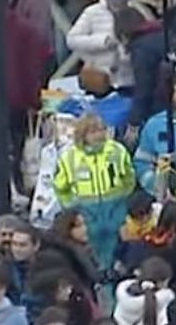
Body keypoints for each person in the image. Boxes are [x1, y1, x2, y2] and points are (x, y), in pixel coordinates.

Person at [53, 112, 135, 273]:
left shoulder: (117, 151)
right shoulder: (70, 157)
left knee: (116, 254)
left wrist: (121, 202)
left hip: (114, 211)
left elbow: (129, 177)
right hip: (87, 214)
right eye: (93, 131)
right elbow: (60, 187)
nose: (99, 135)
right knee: (94, 259)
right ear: (83, 134)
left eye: (102, 130)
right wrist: (73, 207)